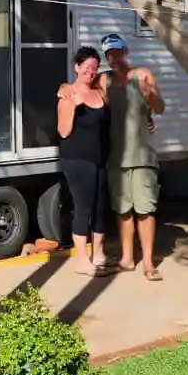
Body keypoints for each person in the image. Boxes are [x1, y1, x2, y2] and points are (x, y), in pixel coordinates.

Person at [101, 33, 166, 280]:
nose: (112, 58)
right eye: (108, 54)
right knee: (123, 210)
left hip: (142, 156)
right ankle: (127, 259)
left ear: (126, 51)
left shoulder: (143, 75)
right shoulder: (104, 81)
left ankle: (148, 264)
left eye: (116, 52)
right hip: (116, 157)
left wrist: (150, 95)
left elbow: (160, 109)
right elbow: (84, 90)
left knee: (145, 210)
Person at [57, 46, 114, 277]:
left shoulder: (100, 91)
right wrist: (73, 105)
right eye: (86, 67)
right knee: (84, 208)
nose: (90, 71)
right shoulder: (67, 94)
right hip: (77, 160)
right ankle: (81, 260)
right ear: (76, 67)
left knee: (101, 208)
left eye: (94, 67)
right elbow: (62, 131)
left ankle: (98, 255)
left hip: (100, 158)